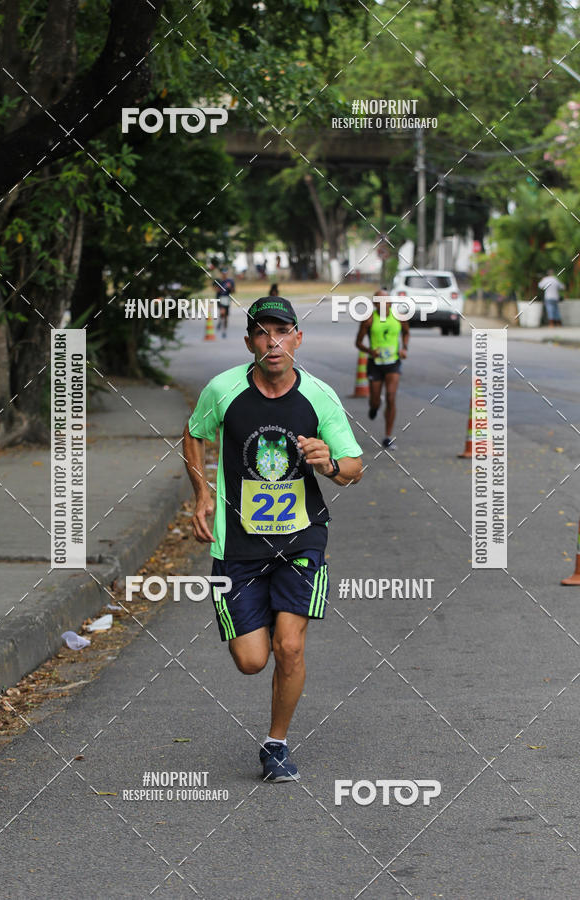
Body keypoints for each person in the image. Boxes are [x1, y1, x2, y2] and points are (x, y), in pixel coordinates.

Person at [183, 296, 363, 783]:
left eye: (282, 332)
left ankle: (276, 744)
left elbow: (354, 468)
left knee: (290, 648)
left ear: (297, 339)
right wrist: (202, 493)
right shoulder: (224, 390)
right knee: (250, 660)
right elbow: (194, 434)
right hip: (238, 545)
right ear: (249, 343)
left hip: (302, 540)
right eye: (263, 333)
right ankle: (254, 620)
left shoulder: (319, 397)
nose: (273, 342)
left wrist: (328, 464)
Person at [355, 289, 409, 448]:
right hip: (375, 364)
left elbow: (406, 333)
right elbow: (358, 343)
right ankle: (374, 407)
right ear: (375, 303)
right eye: (380, 301)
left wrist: (404, 348)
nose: (384, 304)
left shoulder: (399, 317)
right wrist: (370, 351)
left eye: (387, 301)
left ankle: (388, 436)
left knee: (391, 397)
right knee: (375, 401)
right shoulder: (369, 320)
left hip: (393, 362)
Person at [213, 267, 235, 338]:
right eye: (223, 273)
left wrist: (230, 287)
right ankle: (220, 321)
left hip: (227, 299)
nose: (224, 274)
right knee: (222, 312)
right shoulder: (218, 281)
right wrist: (218, 289)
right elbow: (215, 289)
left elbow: (233, 291)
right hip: (219, 298)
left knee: (226, 316)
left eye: (225, 273)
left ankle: (224, 330)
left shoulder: (230, 281)